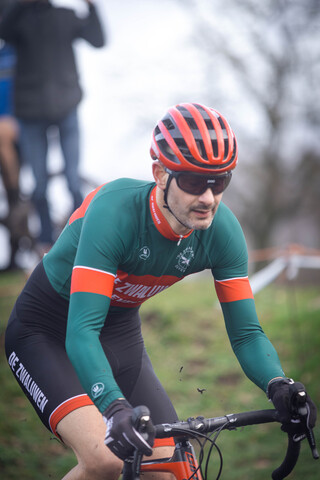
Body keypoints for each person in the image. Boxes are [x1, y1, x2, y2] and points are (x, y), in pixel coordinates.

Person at [5, 103, 317, 480]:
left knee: (177, 469)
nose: (207, 198)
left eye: (219, 182)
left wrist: (278, 384)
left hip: (120, 336)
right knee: (107, 459)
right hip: (48, 331)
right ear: (160, 173)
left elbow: (247, 333)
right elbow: (81, 330)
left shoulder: (223, 233)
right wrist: (113, 406)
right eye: (192, 181)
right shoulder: (115, 213)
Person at [0, 0, 105, 254]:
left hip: (66, 107)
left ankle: (82, 234)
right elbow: (3, 29)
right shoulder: (19, 21)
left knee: (72, 179)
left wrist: (92, 6)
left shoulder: (65, 16)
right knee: (39, 185)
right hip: (30, 113)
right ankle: (45, 244)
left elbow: (98, 40)